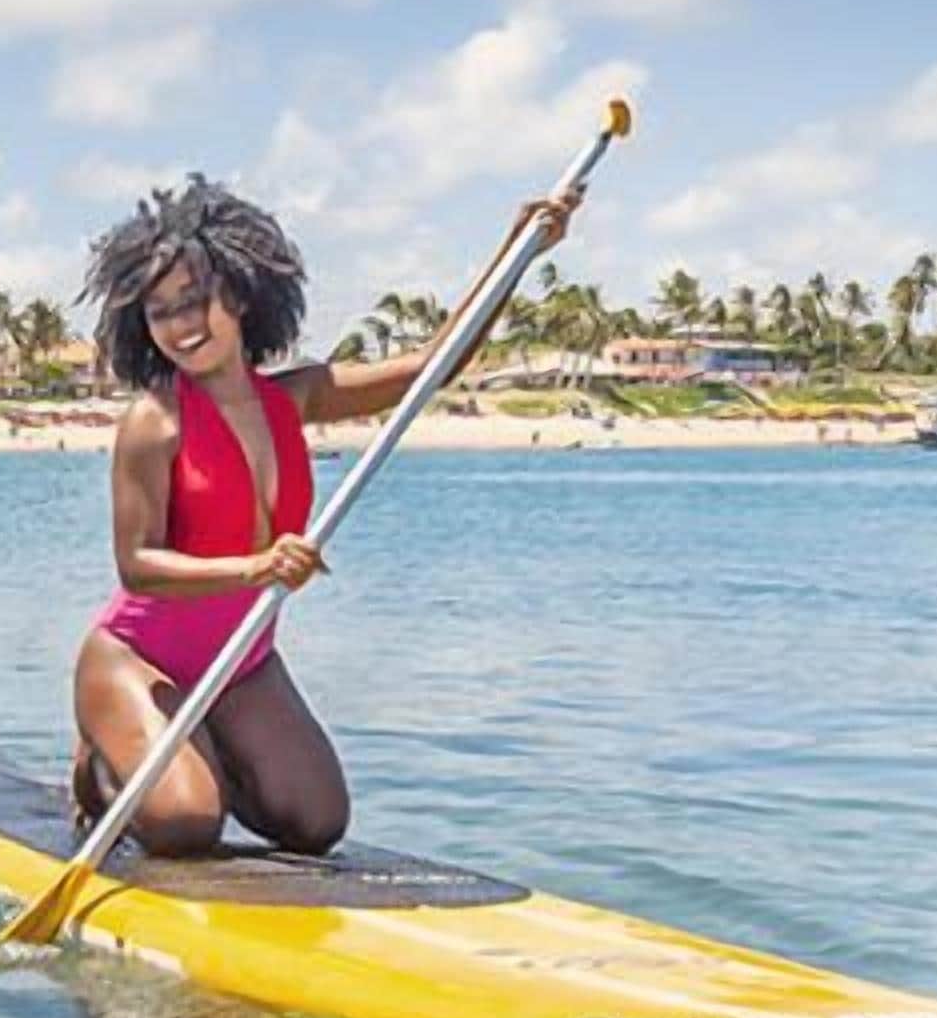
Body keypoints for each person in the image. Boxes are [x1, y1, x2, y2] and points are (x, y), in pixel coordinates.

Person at [70, 175, 579, 858]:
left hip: (240, 662)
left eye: (196, 300)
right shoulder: (152, 423)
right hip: (139, 659)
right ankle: (103, 765)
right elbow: (138, 566)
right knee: (188, 825)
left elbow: (436, 364)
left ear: (242, 294)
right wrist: (255, 566)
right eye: (161, 312)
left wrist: (518, 252)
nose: (183, 325)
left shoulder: (298, 397)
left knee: (315, 823)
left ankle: (199, 744)